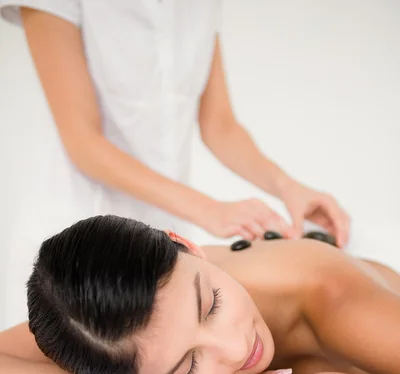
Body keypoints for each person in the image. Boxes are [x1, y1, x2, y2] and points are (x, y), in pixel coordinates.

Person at [0, 1, 349, 327]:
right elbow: (84, 142)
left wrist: (288, 187)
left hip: (164, 238)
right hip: (73, 236)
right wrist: (211, 210)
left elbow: (219, 126)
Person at [0, 215, 399, 374]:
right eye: (188, 366)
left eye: (212, 305)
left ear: (187, 245)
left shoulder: (330, 298)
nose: (235, 347)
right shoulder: (103, 329)